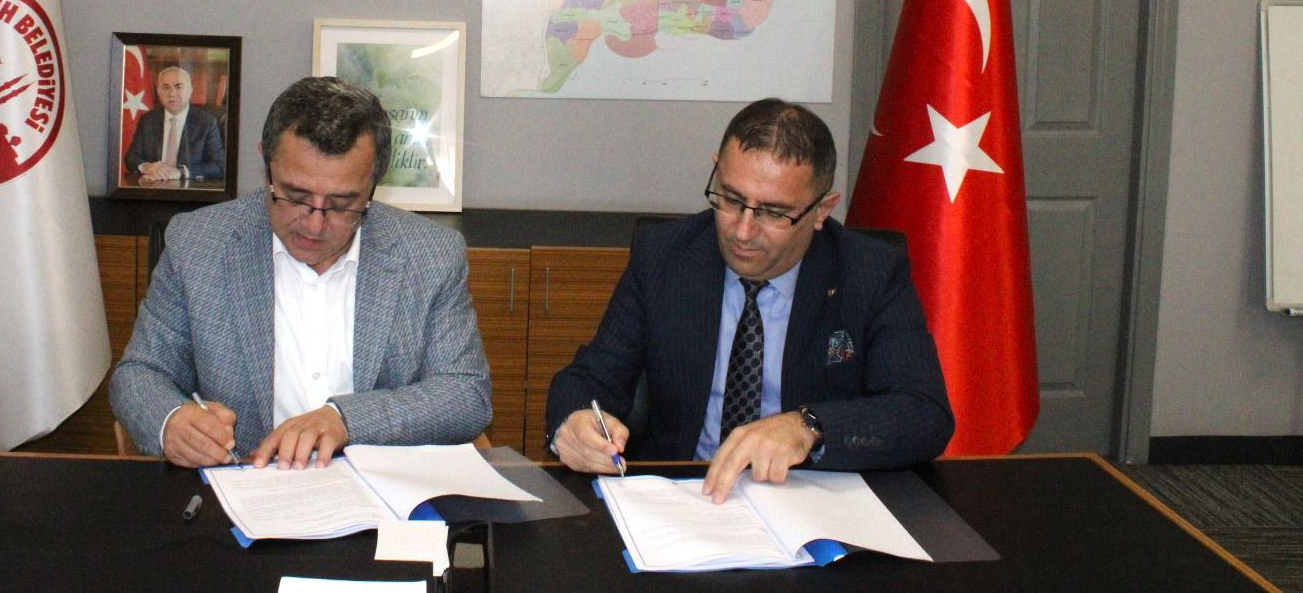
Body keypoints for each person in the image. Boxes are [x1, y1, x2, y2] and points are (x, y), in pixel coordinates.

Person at [546, 98, 953, 502]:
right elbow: (590, 379)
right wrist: (574, 422)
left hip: (812, 501)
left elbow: (924, 412)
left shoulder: (870, 273)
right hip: (686, 496)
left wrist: (807, 426)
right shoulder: (665, 256)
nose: (742, 231)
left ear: (821, 210)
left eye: (773, 213)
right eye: (731, 199)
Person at [109, 76, 491, 468]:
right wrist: (171, 420)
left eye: (341, 204)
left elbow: (466, 394)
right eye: (294, 196)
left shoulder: (429, 256)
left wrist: (345, 420)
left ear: (373, 185)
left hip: (379, 492)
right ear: (267, 167)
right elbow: (140, 373)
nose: (314, 223)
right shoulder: (198, 245)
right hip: (242, 484)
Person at [123, 66, 224, 183]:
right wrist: (147, 167)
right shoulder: (148, 120)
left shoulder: (206, 122)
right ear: (159, 91)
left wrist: (180, 172)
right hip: (153, 184)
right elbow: (131, 157)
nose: (172, 93)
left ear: (190, 91)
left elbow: (219, 165)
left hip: (189, 187)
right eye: (165, 87)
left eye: (178, 87)